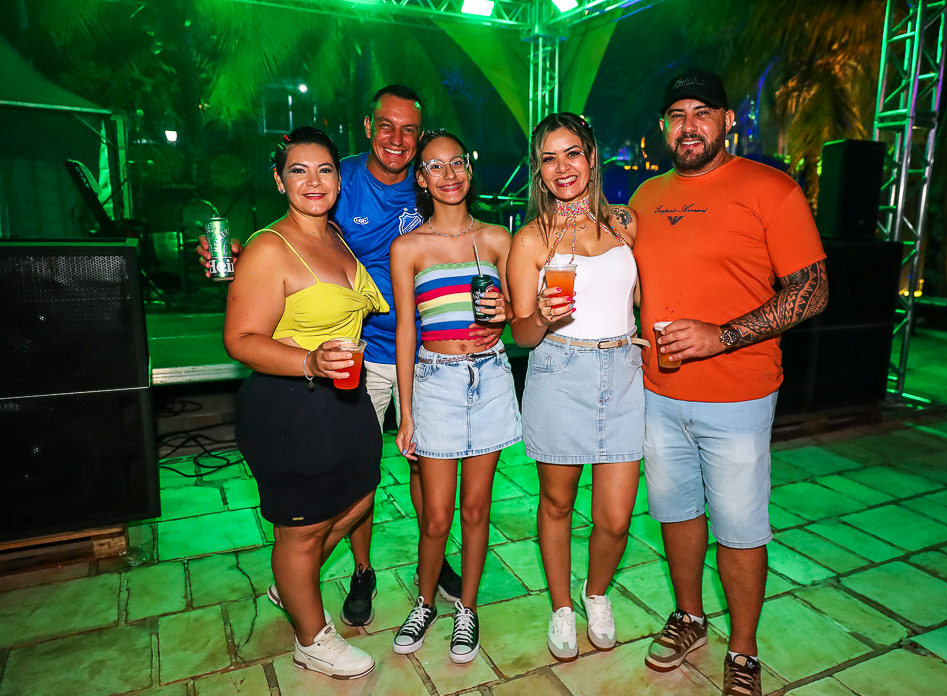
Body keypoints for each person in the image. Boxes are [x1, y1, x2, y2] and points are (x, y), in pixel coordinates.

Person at [202, 85, 498, 619]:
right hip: (356, 355)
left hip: (425, 355)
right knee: (358, 474)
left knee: (423, 464)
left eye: (409, 130)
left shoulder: (433, 180)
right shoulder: (342, 180)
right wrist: (243, 256)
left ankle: (431, 563)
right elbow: (298, 235)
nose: (397, 139)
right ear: (367, 126)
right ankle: (361, 570)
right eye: (386, 126)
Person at [630, 69, 828, 696]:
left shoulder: (771, 189)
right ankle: (689, 617)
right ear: (664, 127)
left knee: (740, 528)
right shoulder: (646, 196)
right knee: (676, 513)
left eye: (702, 112)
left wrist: (723, 335)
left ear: (727, 121)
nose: (688, 126)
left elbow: (811, 291)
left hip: (738, 397)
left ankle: (743, 651)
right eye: (677, 114)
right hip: (657, 394)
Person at [224, 127, 388, 679]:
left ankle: (290, 584)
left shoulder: (336, 236)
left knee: (358, 500)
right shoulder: (270, 247)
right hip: (290, 406)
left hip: (343, 399)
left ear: (339, 180)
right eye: (299, 170)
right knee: (300, 529)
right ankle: (311, 638)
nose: (313, 181)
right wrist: (309, 361)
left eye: (325, 169)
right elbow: (240, 339)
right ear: (279, 180)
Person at [507, 112, 644, 662]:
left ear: (591, 158)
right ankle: (562, 605)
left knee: (616, 517)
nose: (562, 167)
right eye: (549, 158)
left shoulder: (624, 224)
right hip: (559, 371)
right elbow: (520, 333)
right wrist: (541, 314)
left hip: (624, 371)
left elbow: (644, 295)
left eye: (572, 154)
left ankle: (596, 592)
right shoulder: (530, 240)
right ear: (538, 171)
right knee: (558, 502)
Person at [388, 130, 521, 663]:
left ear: (469, 167)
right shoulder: (408, 247)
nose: (448, 174)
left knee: (476, 508)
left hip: (490, 378)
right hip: (436, 382)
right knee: (437, 514)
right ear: (421, 178)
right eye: (435, 166)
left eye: (456, 163)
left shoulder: (496, 239)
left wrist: (505, 317)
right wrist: (406, 411)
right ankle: (425, 603)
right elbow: (406, 331)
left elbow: (519, 315)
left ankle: (467, 608)